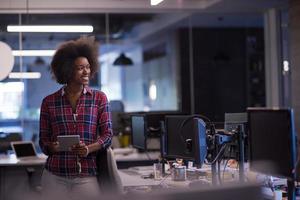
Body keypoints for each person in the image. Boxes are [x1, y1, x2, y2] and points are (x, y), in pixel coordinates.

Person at [39, 36, 113, 200]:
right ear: (67, 70)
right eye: (80, 68)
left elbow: (107, 135)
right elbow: (43, 141)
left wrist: (88, 148)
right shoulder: (49, 102)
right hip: (55, 175)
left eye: (88, 67)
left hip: (86, 174)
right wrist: (52, 147)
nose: (86, 71)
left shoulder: (99, 98)